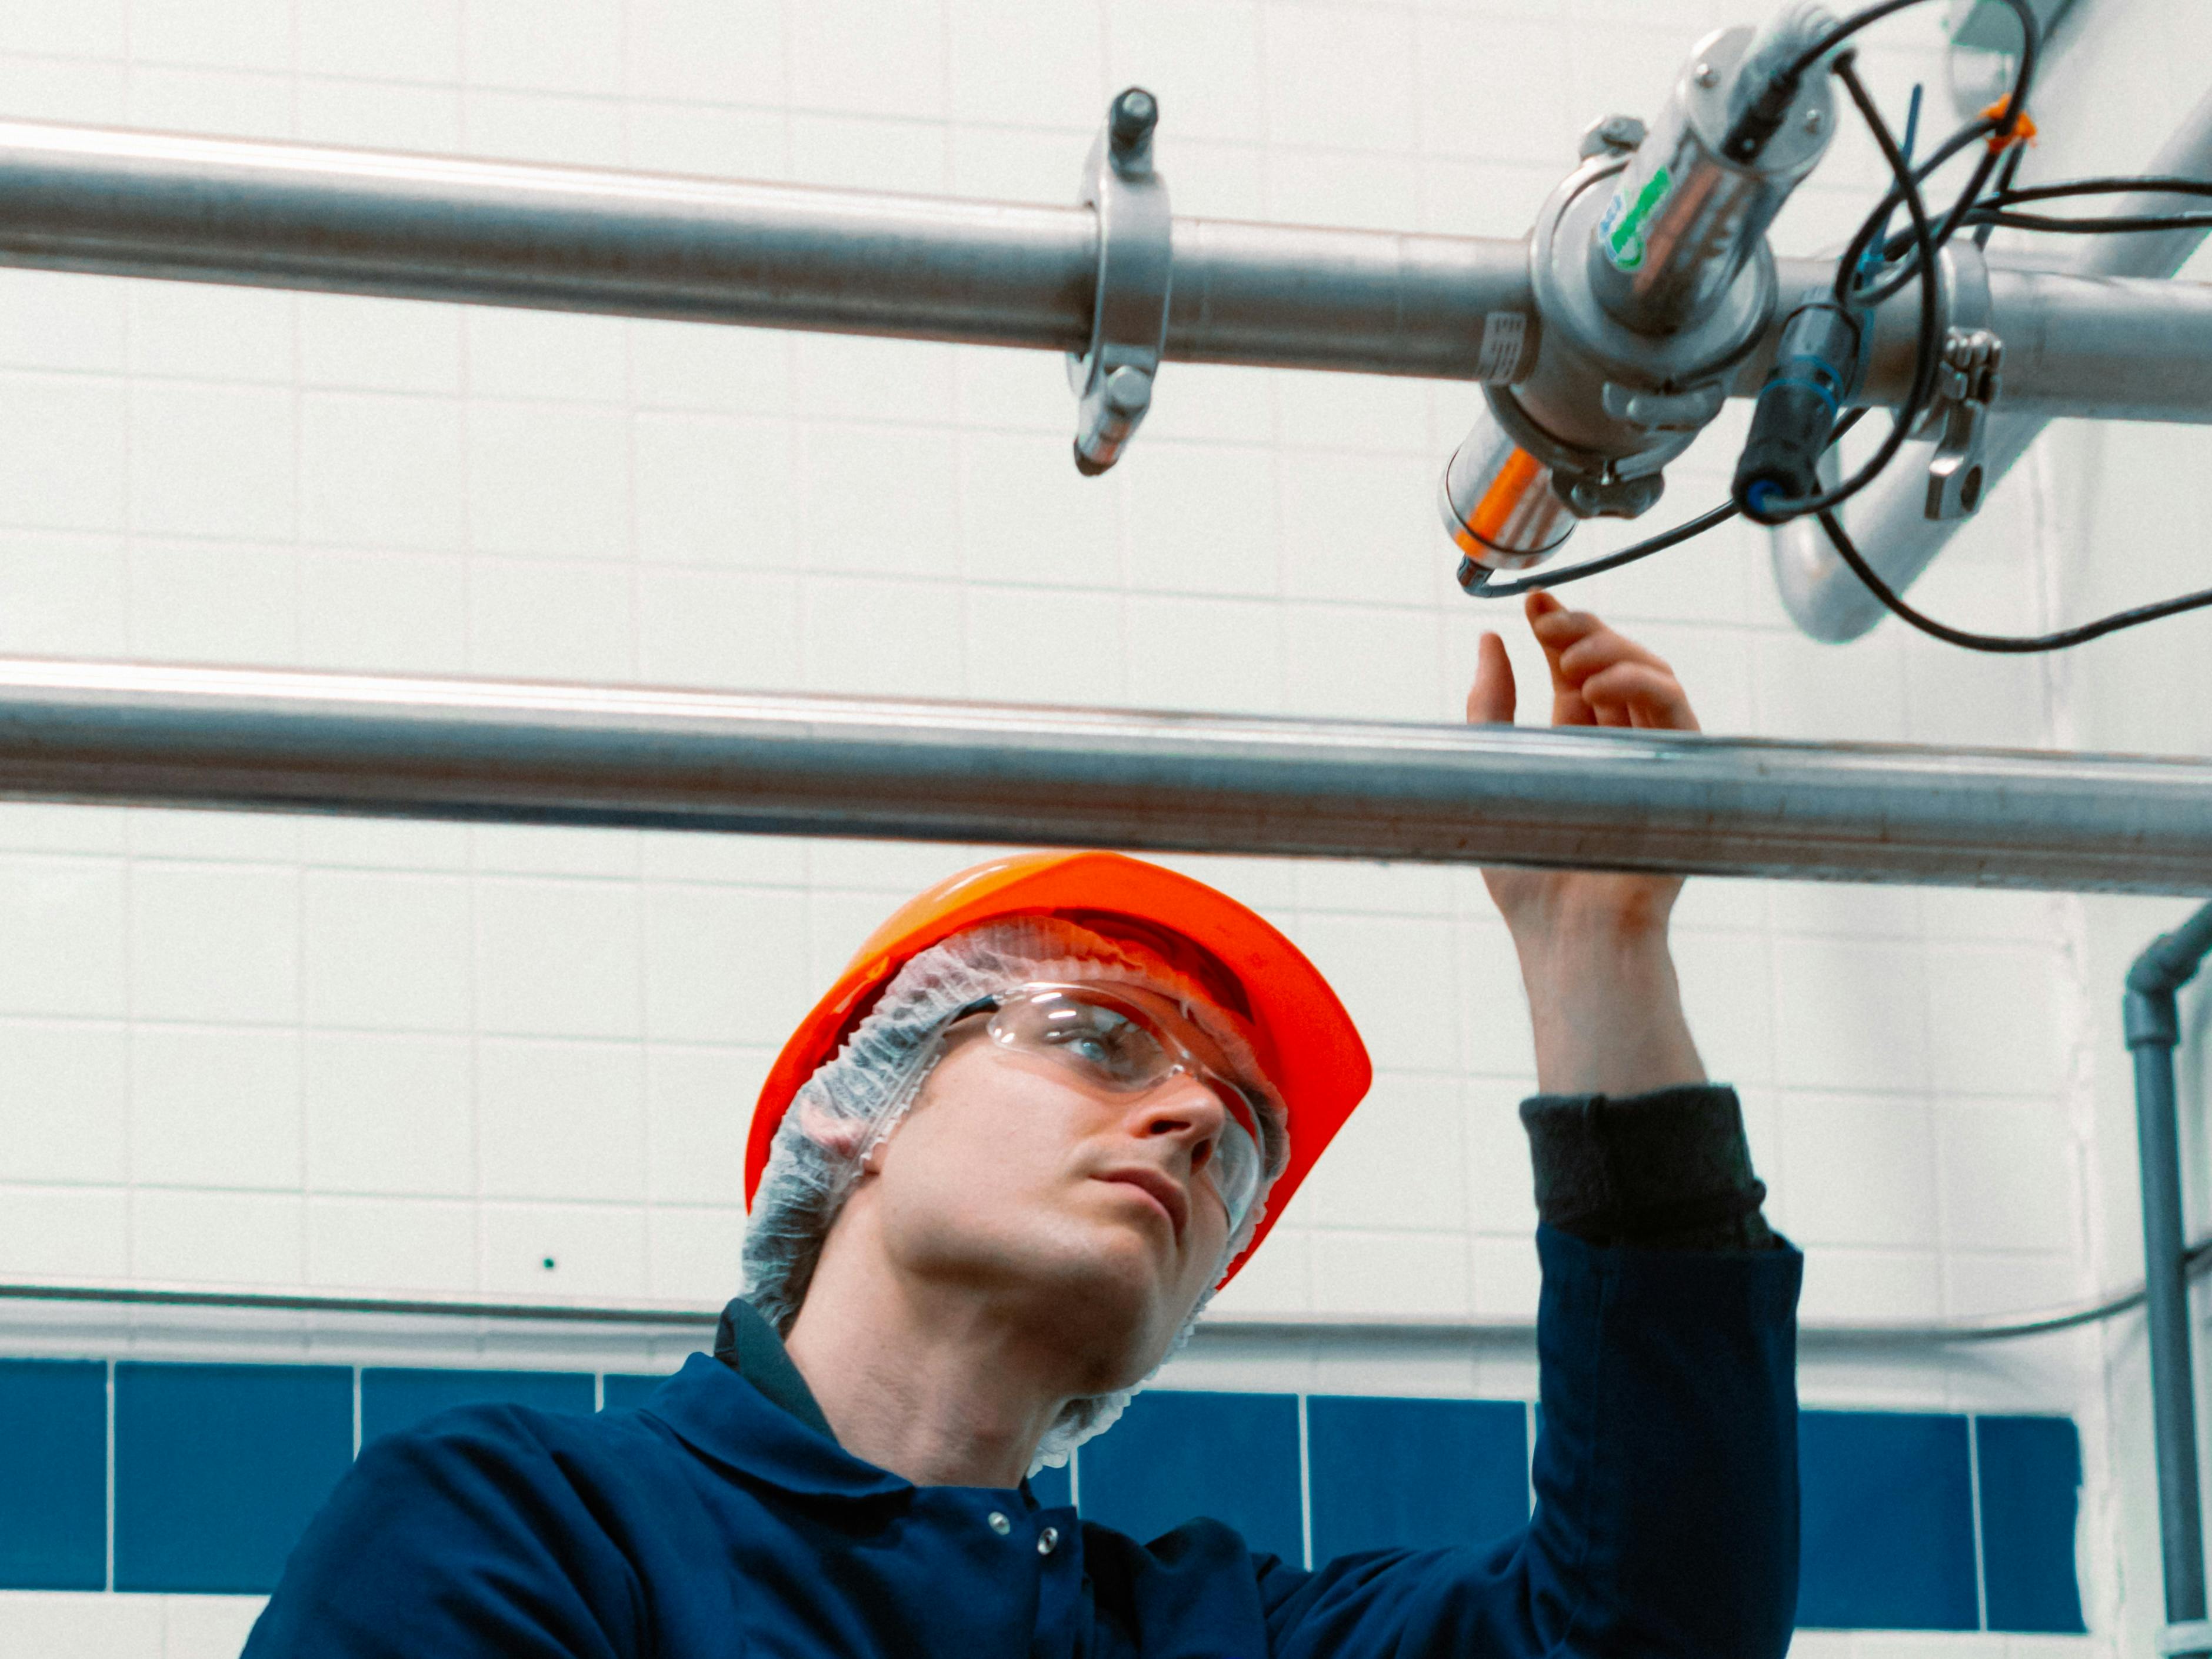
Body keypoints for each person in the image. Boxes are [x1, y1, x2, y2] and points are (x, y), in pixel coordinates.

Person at [246, 592, 1800, 1659]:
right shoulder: (523, 1531)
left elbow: (1644, 1629)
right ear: (861, 1108)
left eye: (1242, 1135)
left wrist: (1597, 953)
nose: (1196, 1115)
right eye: (1104, 1041)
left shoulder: (1202, 1632)